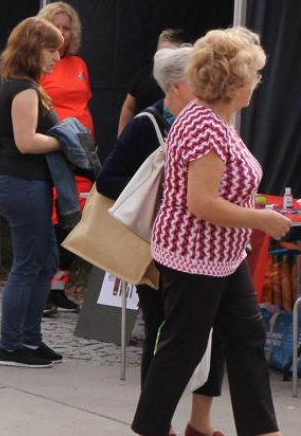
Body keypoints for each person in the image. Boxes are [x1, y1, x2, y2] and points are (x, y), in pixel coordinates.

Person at [132, 27, 287, 436]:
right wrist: (263, 220)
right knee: (182, 351)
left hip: (222, 257)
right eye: (254, 74)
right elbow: (201, 203)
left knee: (246, 343)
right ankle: (149, 428)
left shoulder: (215, 119)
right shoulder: (204, 124)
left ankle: (261, 430)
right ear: (235, 81)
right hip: (193, 259)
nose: (257, 82)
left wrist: (255, 214)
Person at [96, 46, 227, 436]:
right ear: (176, 85)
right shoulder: (146, 124)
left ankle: (200, 423)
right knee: (162, 332)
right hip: (156, 244)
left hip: (204, 245)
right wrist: (166, 189)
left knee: (212, 330)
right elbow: (107, 180)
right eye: (198, 76)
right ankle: (159, 424)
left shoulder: (214, 121)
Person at [0, 16, 64, 369]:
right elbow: (26, 141)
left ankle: (30, 339)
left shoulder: (7, 81)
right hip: (21, 183)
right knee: (29, 263)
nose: (56, 58)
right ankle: (11, 344)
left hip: (19, 182)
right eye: (52, 50)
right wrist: (64, 139)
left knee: (45, 260)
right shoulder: (24, 89)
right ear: (35, 50)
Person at [37, 1, 92, 314]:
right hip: (54, 150)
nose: (62, 32)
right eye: (56, 25)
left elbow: (84, 106)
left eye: (67, 26)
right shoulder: (40, 65)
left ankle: (58, 287)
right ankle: (43, 289)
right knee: (56, 220)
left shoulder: (80, 64)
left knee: (77, 223)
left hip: (81, 152)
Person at [118, 28, 188, 135]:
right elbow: (128, 106)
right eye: (161, 54)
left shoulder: (187, 82)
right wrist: (121, 136)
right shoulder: (144, 75)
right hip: (141, 139)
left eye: (170, 55)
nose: (164, 60)